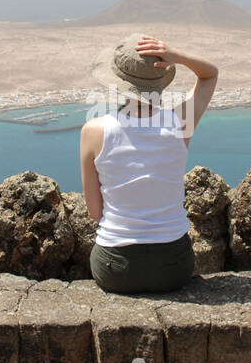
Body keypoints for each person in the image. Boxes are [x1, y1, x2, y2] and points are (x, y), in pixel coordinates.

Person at [80, 33, 218, 293]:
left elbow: (94, 212)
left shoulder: (94, 131)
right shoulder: (180, 122)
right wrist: (176, 56)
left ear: (117, 81)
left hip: (115, 270)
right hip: (174, 268)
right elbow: (210, 74)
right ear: (161, 79)